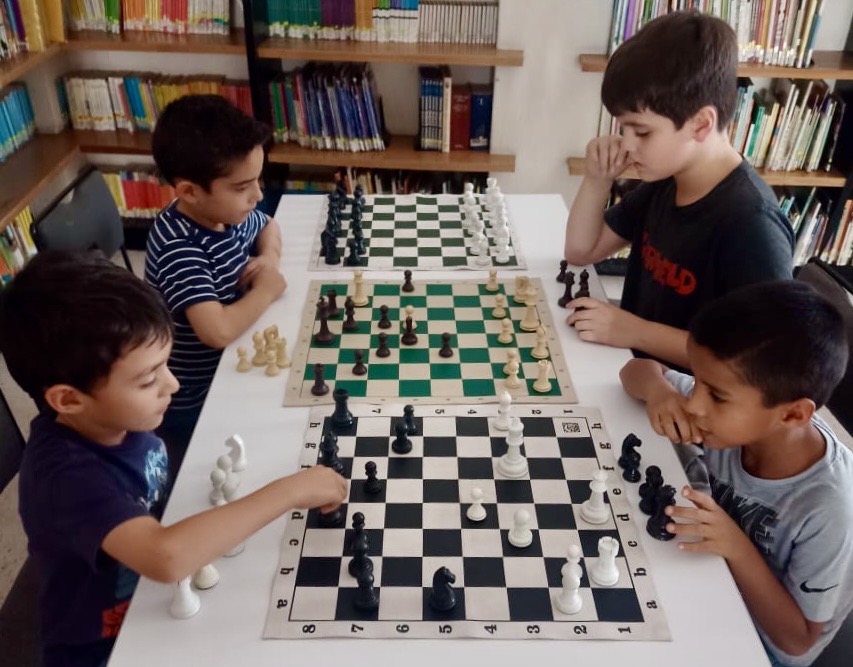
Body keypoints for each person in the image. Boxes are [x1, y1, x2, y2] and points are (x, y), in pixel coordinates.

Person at [0, 251, 347, 667]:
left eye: (165, 365)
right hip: (105, 646)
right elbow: (167, 558)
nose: (174, 384)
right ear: (69, 399)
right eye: (149, 379)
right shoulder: (66, 478)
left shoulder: (113, 417)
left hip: (163, 606)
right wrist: (291, 490)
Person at [620, 280, 852, 667]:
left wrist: (735, 546)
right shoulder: (733, 415)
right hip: (700, 578)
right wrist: (659, 392)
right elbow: (637, 370)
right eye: (697, 382)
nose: (694, 406)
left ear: (794, 414)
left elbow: (797, 641)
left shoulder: (831, 507)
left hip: (756, 645)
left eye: (715, 396)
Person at [564, 11, 793, 370]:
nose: (626, 145)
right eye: (623, 128)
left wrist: (636, 331)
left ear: (701, 124)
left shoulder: (751, 225)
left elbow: (757, 361)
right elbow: (581, 251)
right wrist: (597, 179)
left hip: (692, 409)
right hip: (640, 381)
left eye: (641, 132)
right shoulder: (666, 181)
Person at [145, 94, 286, 475]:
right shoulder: (179, 246)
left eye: (258, 180)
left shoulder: (227, 214)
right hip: (197, 401)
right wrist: (266, 290)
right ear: (189, 191)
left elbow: (269, 225)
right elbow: (217, 331)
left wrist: (268, 259)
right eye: (243, 187)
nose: (257, 195)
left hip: (233, 369)